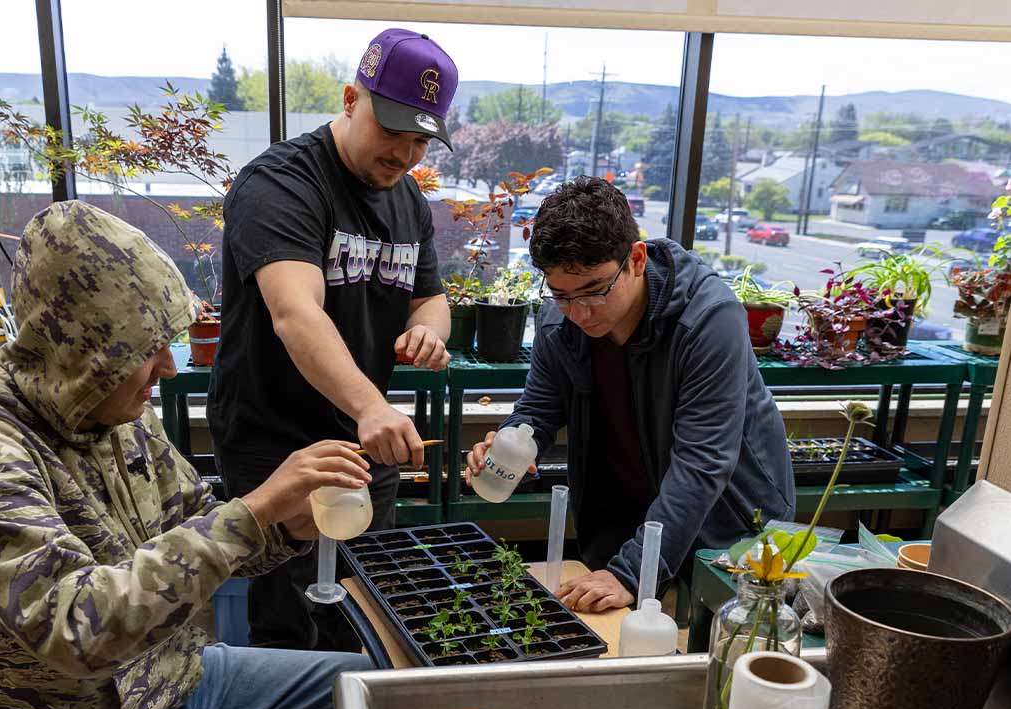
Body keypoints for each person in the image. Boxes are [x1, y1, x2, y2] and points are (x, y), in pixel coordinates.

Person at [0, 201, 373, 709]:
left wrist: (287, 527)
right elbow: (77, 631)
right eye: (149, 350)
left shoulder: (116, 411)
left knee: (382, 696)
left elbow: (196, 526)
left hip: (173, 679)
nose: (169, 368)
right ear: (84, 352)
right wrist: (255, 511)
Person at [208, 28, 460, 650]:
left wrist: (427, 330)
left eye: (421, 140)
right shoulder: (283, 183)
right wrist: (372, 404)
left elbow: (429, 295)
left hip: (362, 444)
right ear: (352, 99)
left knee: (372, 607)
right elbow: (297, 313)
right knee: (291, 620)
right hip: (277, 442)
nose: (405, 154)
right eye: (392, 130)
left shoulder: (408, 201)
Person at [466, 177, 795, 613]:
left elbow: (703, 461)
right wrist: (511, 441)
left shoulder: (709, 320)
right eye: (562, 295)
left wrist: (632, 571)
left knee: (714, 647)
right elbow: (540, 408)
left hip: (727, 524)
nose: (580, 313)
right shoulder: (558, 322)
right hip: (623, 515)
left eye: (595, 291)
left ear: (636, 259)